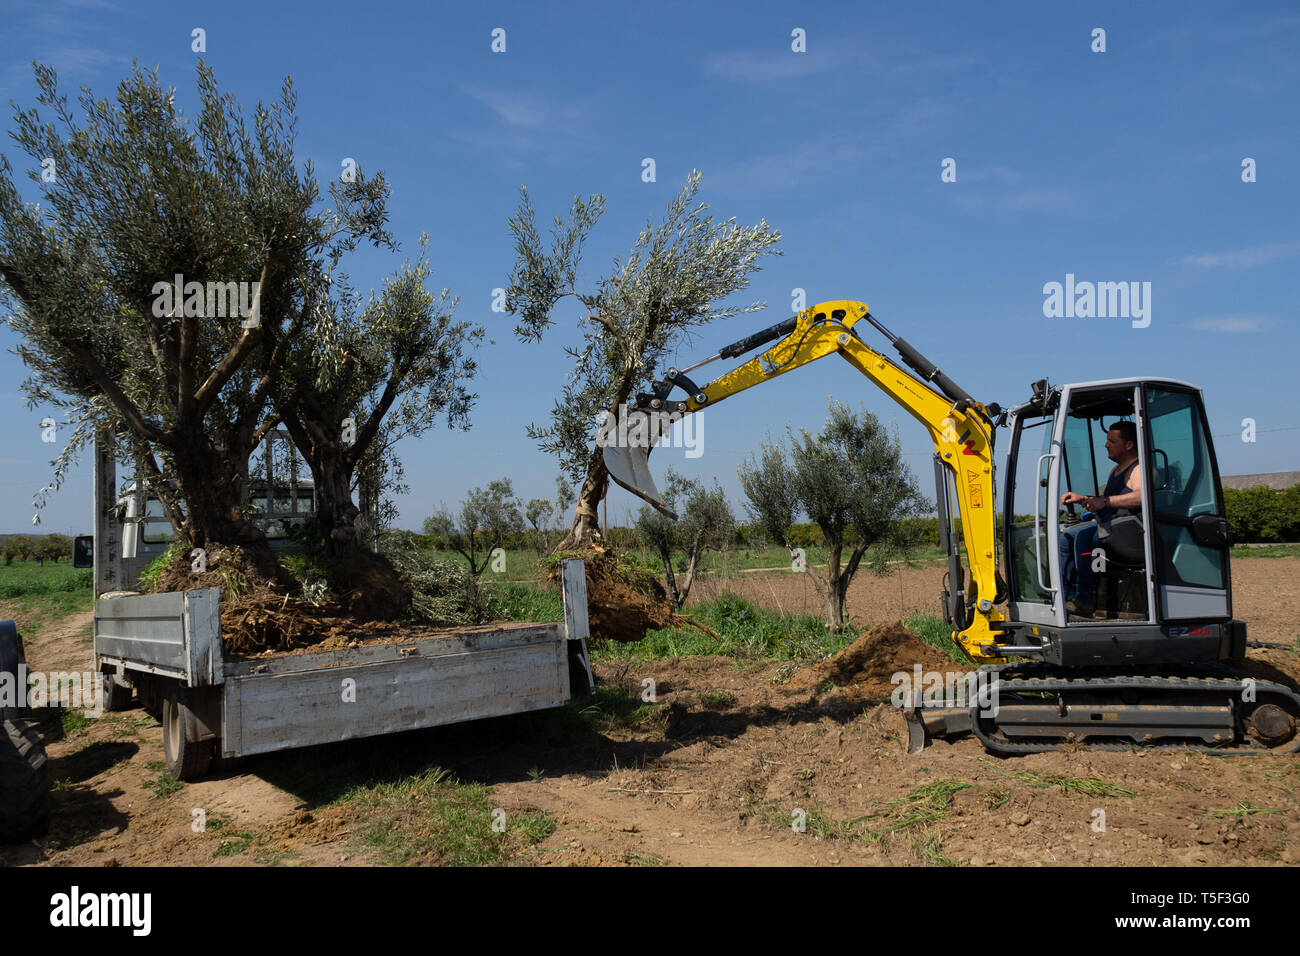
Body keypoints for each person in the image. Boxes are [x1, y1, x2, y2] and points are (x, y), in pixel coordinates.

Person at [1058, 421, 1143, 615]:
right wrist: (1084, 499)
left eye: (1112, 441)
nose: (1106, 445)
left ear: (1129, 445)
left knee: (1084, 538)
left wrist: (1105, 501)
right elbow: (1106, 500)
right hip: (1110, 526)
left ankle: (1085, 600)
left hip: (1129, 532)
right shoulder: (1117, 470)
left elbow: (1140, 496)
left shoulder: (1137, 469)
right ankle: (1065, 597)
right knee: (1066, 537)